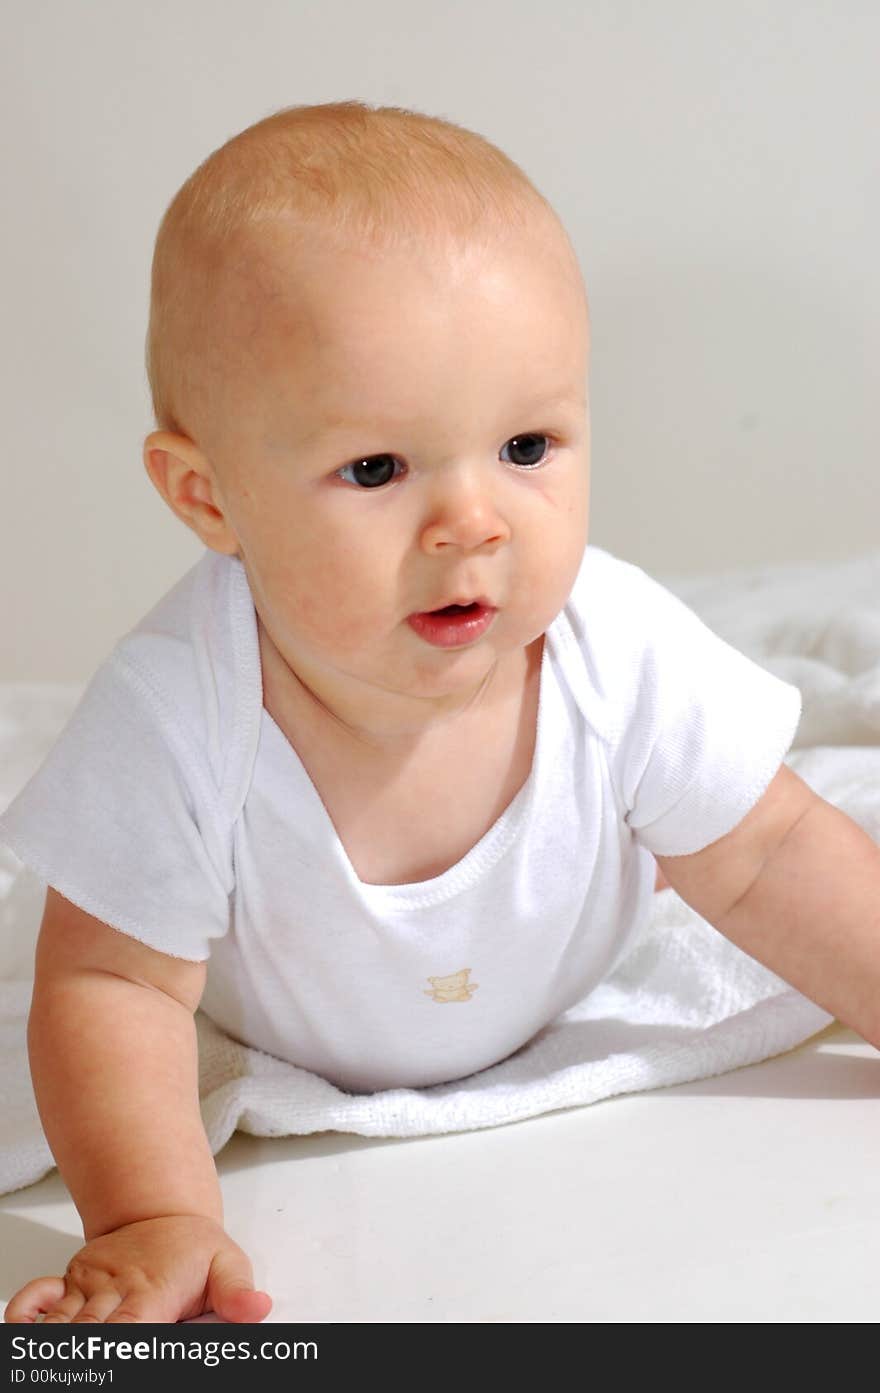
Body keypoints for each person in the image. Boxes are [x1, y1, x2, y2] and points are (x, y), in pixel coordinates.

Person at [2, 100, 878, 1325]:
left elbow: (769, 853)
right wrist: (151, 1214)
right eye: (376, 469)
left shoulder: (610, 647)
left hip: (559, 1007)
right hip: (288, 1034)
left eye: (526, 444)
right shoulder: (177, 718)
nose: (474, 521)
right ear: (208, 496)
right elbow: (112, 987)